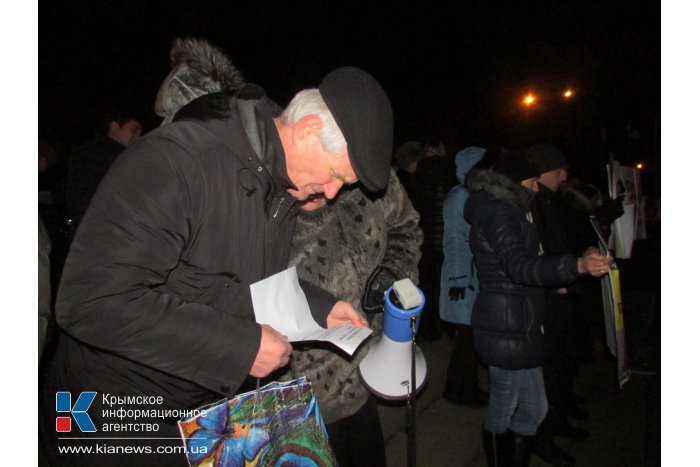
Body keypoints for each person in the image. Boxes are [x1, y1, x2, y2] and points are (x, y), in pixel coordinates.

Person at [39, 65, 394, 467]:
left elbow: (230, 282)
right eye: (334, 176)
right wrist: (240, 348)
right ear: (308, 129)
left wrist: (318, 307)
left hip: (196, 414)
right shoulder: (179, 161)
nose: (331, 194)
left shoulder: (279, 188)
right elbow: (90, 300)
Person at [464, 151, 610, 467]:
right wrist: (578, 266)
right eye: (531, 182)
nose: (534, 189)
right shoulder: (499, 212)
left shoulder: (509, 209)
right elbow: (520, 267)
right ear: (514, 182)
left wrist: (561, 272)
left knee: (534, 409)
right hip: (505, 322)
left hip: (520, 320)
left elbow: (527, 264)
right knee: (504, 405)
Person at [284, 169, 422, 466]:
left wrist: (392, 273)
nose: (332, 190)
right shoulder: (254, 203)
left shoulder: (365, 171)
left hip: (365, 372)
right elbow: (235, 290)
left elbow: (405, 227)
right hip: (297, 397)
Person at [439, 146, 487, 407]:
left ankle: (466, 385)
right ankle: (458, 389)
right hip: (463, 279)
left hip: (473, 276)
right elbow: (455, 237)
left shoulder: (475, 195)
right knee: (466, 338)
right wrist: (459, 277)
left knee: (471, 336)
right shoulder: (459, 197)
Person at [64, 107, 142, 237]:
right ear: (114, 127)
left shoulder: (124, 156)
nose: (138, 137)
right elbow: (83, 198)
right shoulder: (94, 154)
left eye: (140, 132)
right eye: (133, 130)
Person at [408, 138, 454, 341]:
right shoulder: (450, 173)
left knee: (425, 285)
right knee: (445, 286)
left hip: (424, 240)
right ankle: (449, 327)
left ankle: (427, 329)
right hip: (445, 241)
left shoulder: (419, 175)